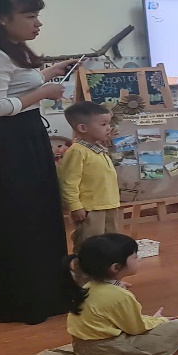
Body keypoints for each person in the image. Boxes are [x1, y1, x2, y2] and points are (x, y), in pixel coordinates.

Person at [0, 0, 80, 324]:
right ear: (3, 18)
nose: (37, 23)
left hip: (21, 139)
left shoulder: (6, 49)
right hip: (4, 147)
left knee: (39, 219)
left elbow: (12, 85)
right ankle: (26, 303)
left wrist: (47, 74)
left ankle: (49, 295)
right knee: (18, 225)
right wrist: (42, 92)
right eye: (30, 16)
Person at [35, 234, 178, 355]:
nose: (139, 259)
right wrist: (159, 320)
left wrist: (152, 320)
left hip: (80, 346)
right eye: (135, 256)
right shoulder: (120, 296)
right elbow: (136, 328)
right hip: (106, 349)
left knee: (153, 327)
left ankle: (173, 341)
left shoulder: (88, 285)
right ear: (116, 267)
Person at [59, 101, 121, 251]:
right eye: (103, 124)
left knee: (111, 245)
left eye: (109, 123)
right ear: (82, 128)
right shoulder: (77, 151)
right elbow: (68, 182)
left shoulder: (98, 148)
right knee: (89, 246)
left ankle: (106, 266)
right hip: (90, 210)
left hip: (109, 205)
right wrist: (75, 206)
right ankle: (82, 267)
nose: (109, 127)